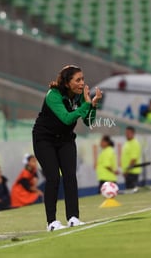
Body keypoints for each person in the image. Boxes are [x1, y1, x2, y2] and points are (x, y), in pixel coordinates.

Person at [32, 65, 102, 231]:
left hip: (65, 139)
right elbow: (66, 118)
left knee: (70, 176)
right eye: (77, 80)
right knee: (54, 178)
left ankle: (73, 218)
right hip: (44, 140)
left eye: (82, 79)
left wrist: (93, 105)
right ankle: (51, 222)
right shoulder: (53, 95)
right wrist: (86, 105)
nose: (82, 83)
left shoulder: (78, 97)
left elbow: (89, 122)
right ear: (66, 82)